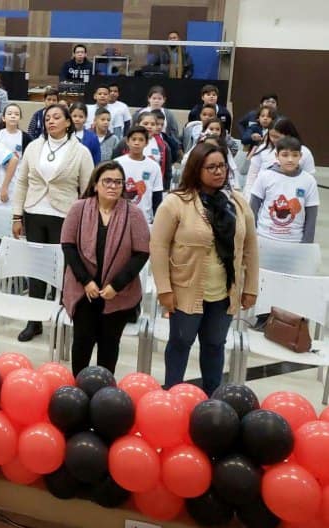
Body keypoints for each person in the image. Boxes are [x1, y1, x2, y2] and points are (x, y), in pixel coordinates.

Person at [151, 142, 258, 394]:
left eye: (222, 166)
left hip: (223, 292)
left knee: (215, 345)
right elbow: (158, 247)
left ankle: (214, 400)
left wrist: (250, 287)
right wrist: (164, 289)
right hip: (185, 290)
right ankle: (173, 397)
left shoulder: (238, 204)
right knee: (180, 342)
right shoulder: (175, 203)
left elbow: (251, 249)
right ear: (196, 169)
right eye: (211, 167)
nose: (218, 172)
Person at [12, 103, 95, 342]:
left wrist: (84, 223)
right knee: (37, 269)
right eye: (47, 118)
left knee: (62, 270)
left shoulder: (80, 151)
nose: (51, 121)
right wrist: (17, 215)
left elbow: (88, 191)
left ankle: (61, 318)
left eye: (57, 117)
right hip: (34, 212)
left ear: (68, 122)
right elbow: (22, 183)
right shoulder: (34, 147)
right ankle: (34, 321)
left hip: (65, 216)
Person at [61, 161, 149, 374]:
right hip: (84, 291)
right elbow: (68, 246)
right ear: (95, 185)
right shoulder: (79, 209)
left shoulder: (133, 213)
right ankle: (78, 388)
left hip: (118, 293)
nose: (112, 186)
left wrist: (116, 285)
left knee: (109, 346)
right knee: (82, 343)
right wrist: (86, 282)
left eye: (118, 182)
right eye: (107, 181)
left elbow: (141, 253)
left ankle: (103, 393)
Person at [249, 136, 319, 244]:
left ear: (300, 156)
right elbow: (253, 208)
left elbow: (311, 217)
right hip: (264, 239)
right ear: (277, 156)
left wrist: (306, 244)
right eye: (285, 155)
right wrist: (251, 238)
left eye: (295, 155)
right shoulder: (265, 176)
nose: (290, 159)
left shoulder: (309, 181)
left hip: (295, 242)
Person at [246, 117, 316, 192]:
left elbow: (309, 178)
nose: (273, 139)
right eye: (271, 135)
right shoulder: (263, 150)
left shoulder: (304, 152)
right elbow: (252, 176)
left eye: (277, 137)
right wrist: (248, 195)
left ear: (289, 135)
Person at [114, 126, 163, 223]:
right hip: (119, 217)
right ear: (127, 141)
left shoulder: (154, 166)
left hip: (144, 219)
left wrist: (156, 220)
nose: (137, 143)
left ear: (146, 143)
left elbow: (157, 195)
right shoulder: (117, 163)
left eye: (141, 140)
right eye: (134, 139)